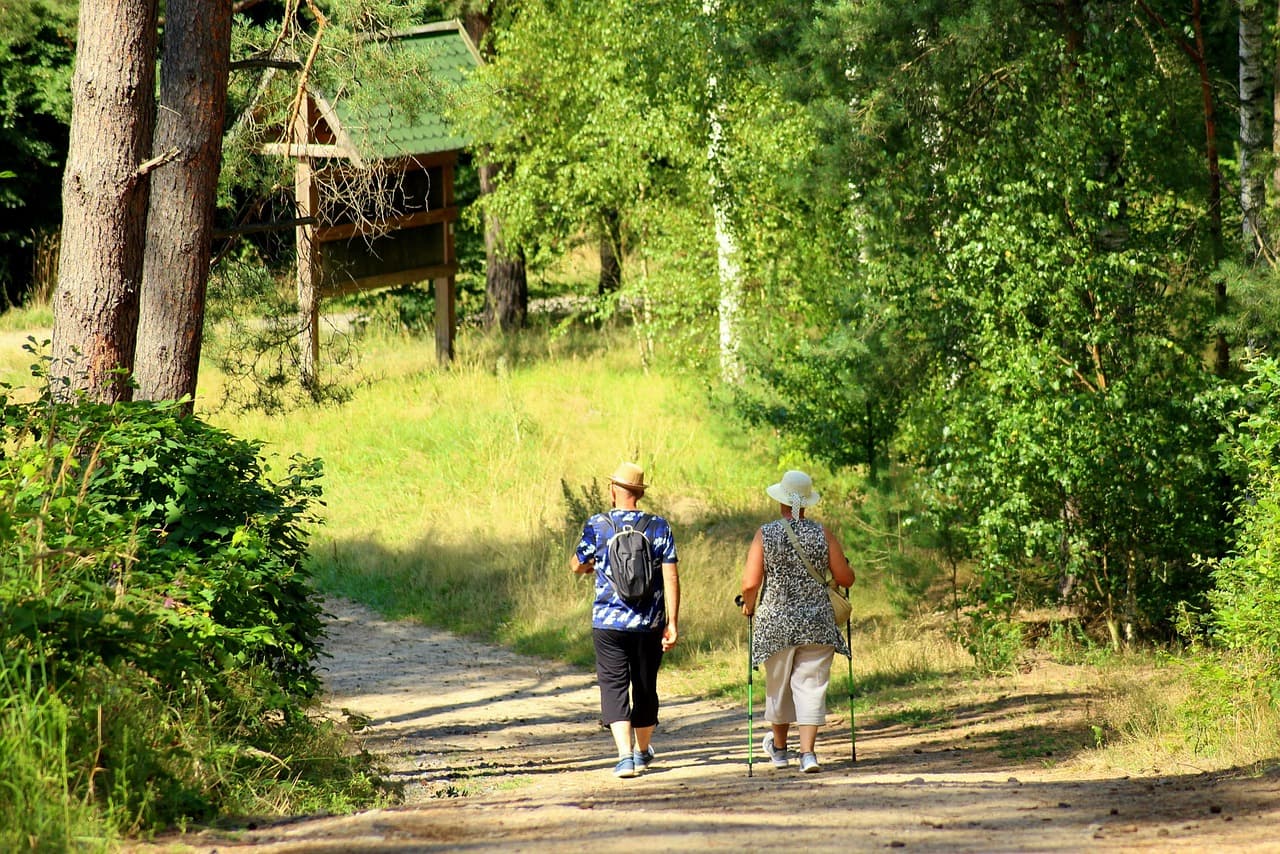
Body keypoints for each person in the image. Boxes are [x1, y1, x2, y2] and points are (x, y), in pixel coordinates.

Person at [739, 469, 854, 773]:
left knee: (778, 685)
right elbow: (844, 578)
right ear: (805, 504)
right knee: (811, 686)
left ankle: (779, 750)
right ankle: (808, 754)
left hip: (775, 621)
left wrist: (749, 607)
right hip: (817, 621)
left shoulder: (766, 534)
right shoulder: (822, 534)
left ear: (781, 502)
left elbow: (750, 584)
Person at [572, 462, 680, 779]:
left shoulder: (598, 525)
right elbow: (671, 577)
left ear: (614, 490)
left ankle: (624, 757)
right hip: (649, 623)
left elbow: (576, 564)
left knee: (613, 686)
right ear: (639, 493)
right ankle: (642, 751)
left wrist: (591, 566)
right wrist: (672, 621)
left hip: (608, 623)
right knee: (645, 687)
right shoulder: (658, 526)